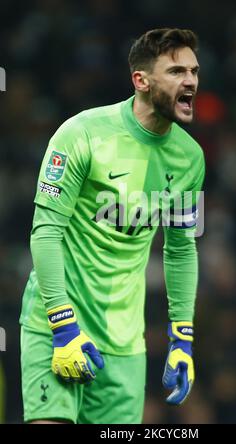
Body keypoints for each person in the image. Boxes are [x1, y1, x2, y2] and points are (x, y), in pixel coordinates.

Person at [19, 28, 205, 424]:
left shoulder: (190, 158)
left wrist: (182, 338)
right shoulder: (82, 133)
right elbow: (46, 230)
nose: (190, 80)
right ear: (141, 80)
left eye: (193, 71)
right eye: (175, 71)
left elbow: (181, 249)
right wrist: (62, 324)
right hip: (55, 326)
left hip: (124, 346)